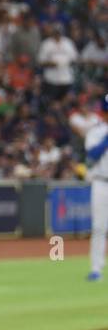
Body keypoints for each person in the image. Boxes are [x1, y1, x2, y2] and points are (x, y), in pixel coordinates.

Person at [70, 93, 108, 281]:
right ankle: (96, 269)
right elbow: (92, 155)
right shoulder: (96, 130)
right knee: (99, 227)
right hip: (101, 182)